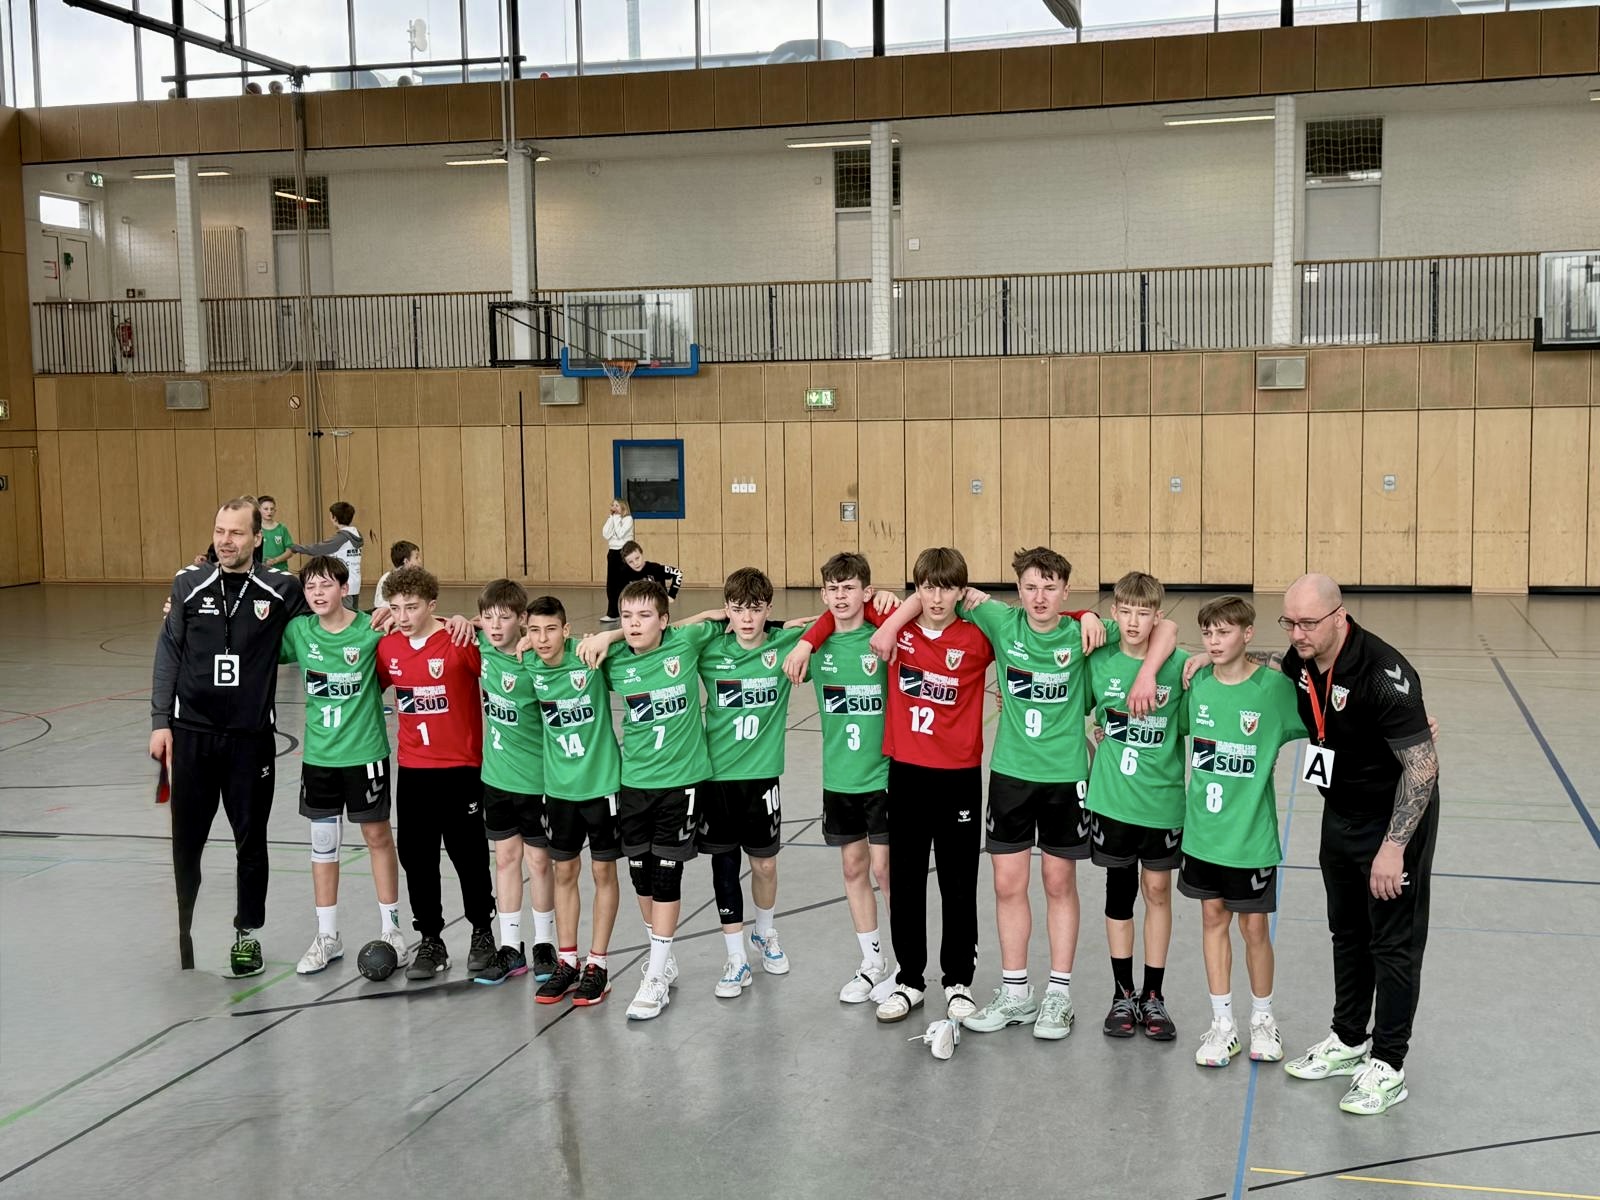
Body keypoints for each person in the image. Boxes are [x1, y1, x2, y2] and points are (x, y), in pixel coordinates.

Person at [953, 549, 1176, 1044]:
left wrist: (1103, 631)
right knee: (1007, 885)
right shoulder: (999, 620)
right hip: (1011, 774)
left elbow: (1166, 628)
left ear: (1066, 592)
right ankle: (1016, 991)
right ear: (1017, 589)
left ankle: (1059, 994)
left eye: (1050, 588)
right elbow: (941, 592)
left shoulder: (1085, 632)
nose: (1040, 597)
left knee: (1058, 883)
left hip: (1065, 778)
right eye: (1031, 587)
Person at [791, 547, 994, 1028]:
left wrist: (1087, 615)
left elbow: (1035, 624)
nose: (936, 598)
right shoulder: (895, 630)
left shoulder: (978, 635)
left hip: (959, 777)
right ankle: (909, 980)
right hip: (905, 774)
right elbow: (838, 612)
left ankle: (958, 982)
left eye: (947, 588)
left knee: (958, 882)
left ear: (961, 591)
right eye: (927, 588)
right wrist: (807, 640)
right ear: (916, 589)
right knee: (904, 882)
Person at [1276, 573, 1440, 1117]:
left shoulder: (1383, 674)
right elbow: (1273, 662)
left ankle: (1389, 1065)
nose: (1297, 634)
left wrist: (1394, 847)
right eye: (1289, 622)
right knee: (1346, 931)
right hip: (1340, 812)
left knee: (1392, 944)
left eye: (1307, 623)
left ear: (1339, 617)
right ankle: (1349, 1039)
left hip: (1392, 820)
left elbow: (1423, 769)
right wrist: (1216, 658)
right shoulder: (1303, 658)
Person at [149, 498, 309, 976]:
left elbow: (329, 619)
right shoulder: (188, 584)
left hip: (250, 740)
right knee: (186, 843)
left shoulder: (281, 589)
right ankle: (184, 932)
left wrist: (384, 620)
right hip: (191, 735)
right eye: (220, 531)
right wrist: (160, 721)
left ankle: (247, 934)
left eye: (236, 532)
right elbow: (169, 650)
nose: (225, 540)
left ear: (258, 538)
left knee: (250, 842)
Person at [579, 579, 720, 1021]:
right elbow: (559, 650)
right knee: (640, 873)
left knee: (666, 874)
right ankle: (664, 957)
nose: (634, 624)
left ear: (664, 620)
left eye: (644, 616)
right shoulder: (614, 659)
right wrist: (607, 637)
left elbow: (717, 617)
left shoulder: (685, 642)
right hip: (635, 782)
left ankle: (655, 975)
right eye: (626, 617)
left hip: (682, 782)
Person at [1180, 596, 1307, 1070]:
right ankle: (1222, 1025)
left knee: (1254, 928)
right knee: (1212, 920)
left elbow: (1327, 722)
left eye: (1224, 632)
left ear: (1247, 634)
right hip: (1203, 836)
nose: (1214, 642)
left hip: (1250, 837)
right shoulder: (1197, 686)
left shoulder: (1273, 690)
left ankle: (1263, 1020)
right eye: (1208, 633)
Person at [680, 568, 810, 999]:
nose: (747, 619)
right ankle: (735, 958)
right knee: (723, 866)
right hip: (717, 779)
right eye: (737, 610)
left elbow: (833, 620)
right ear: (727, 611)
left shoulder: (784, 643)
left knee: (765, 865)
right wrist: (711, 616)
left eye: (755, 610)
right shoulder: (710, 648)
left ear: (769, 608)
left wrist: (790, 630)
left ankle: (764, 932)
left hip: (762, 777)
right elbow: (667, 632)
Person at [277, 555, 408, 974]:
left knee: (377, 836)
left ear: (344, 587)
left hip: (364, 754)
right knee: (322, 843)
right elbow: (252, 641)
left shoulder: (372, 629)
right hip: (319, 758)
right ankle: (327, 936)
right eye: (310, 587)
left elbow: (416, 630)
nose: (318, 593)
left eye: (326, 585)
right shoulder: (299, 632)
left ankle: (392, 929)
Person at [781, 552, 896, 1005]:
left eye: (849, 588)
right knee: (853, 868)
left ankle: (906, 963)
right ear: (823, 594)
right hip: (840, 779)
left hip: (884, 776)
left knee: (886, 870)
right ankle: (872, 962)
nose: (841, 596)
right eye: (833, 589)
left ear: (867, 591)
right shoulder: (815, 643)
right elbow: (747, 631)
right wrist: (805, 641)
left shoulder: (884, 634)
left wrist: (887, 605)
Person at [375, 566, 497, 981]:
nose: (403, 616)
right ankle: (431, 939)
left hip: (460, 768)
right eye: (395, 608)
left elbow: (501, 644)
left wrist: (467, 622)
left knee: (469, 854)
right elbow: (372, 682)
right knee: (417, 857)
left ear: (432, 605)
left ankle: (482, 931)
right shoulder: (388, 647)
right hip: (413, 770)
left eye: (411, 607)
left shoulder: (459, 642)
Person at [1086, 571, 1190, 1041]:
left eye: (1143, 613)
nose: (1133, 621)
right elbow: (1074, 710)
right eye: (1125, 611)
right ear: (1113, 613)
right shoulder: (1099, 660)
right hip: (1113, 802)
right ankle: (1121, 993)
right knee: (1119, 891)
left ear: (1157, 617)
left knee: (1158, 891)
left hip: (1161, 803)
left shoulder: (1179, 665)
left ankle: (1154, 995)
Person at [523, 595, 624, 1007]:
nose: (543, 639)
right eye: (534, 630)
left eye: (551, 629)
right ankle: (567, 961)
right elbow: (486, 628)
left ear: (566, 630)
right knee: (563, 872)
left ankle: (598, 965)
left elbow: (649, 633)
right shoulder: (529, 663)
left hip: (601, 786)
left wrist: (608, 635)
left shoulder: (589, 656)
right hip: (559, 791)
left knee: (603, 872)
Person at [472, 579, 559, 986]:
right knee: (505, 859)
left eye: (504, 618)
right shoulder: (482, 645)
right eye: (488, 617)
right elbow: (445, 623)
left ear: (522, 619)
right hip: (496, 777)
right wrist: (463, 620)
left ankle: (544, 943)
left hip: (536, 780)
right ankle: (510, 947)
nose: (494, 625)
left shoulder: (536, 659)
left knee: (538, 862)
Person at [291, 501, 364, 610]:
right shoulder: (356, 534)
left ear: (334, 518)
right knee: (353, 613)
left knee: (345, 614)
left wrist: (296, 548)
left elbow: (317, 549)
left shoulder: (342, 538)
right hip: (355, 581)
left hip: (344, 581)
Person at [614, 540, 683, 607]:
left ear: (641, 554)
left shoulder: (655, 568)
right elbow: (620, 594)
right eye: (630, 562)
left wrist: (672, 595)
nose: (635, 563)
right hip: (638, 608)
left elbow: (677, 573)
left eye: (637, 558)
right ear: (626, 563)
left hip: (658, 607)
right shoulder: (624, 573)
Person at [601, 499, 634, 625]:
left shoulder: (628, 519)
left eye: (617, 505)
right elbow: (606, 534)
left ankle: (627, 611)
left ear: (623, 507)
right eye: (613, 505)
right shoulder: (612, 519)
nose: (614, 507)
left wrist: (616, 519)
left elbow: (620, 534)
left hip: (624, 552)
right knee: (611, 584)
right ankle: (612, 613)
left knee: (623, 584)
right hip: (613, 552)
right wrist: (611, 518)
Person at [372, 541, 420, 615]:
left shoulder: (414, 577)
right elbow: (384, 609)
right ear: (406, 561)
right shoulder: (388, 579)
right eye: (416, 558)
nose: (420, 561)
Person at [258, 495, 294, 573]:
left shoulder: (282, 528)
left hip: (281, 570)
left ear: (275, 510)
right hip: (261, 571)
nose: (269, 511)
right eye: (266, 509)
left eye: (272, 509)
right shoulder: (256, 529)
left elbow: (290, 551)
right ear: (259, 510)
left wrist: (275, 560)